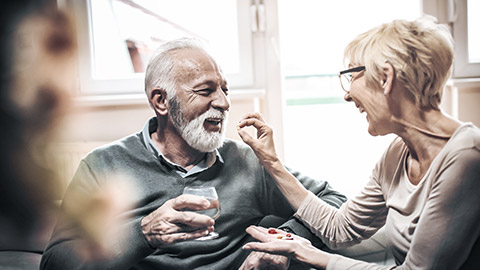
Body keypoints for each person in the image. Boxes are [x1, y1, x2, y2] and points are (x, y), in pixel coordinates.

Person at [40, 38, 347, 269]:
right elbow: (54, 261)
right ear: (161, 101)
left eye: (224, 90)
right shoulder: (103, 165)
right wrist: (144, 233)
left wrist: (279, 242)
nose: (224, 103)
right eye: (206, 90)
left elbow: (335, 205)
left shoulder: (247, 162)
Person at [237, 16, 480, 269]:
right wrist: (271, 161)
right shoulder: (397, 153)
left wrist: (307, 253)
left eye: (352, 74)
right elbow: (339, 228)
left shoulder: (467, 156)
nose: (347, 95)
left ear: (386, 78)